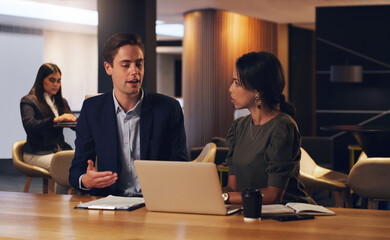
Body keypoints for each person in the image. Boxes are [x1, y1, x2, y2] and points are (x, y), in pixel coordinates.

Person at [69, 32, 188, 197]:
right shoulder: (92, 109)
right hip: (109, 204)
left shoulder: (168, 109)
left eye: (139, 64)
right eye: (126, 65)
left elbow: (181, 165)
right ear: (108, 68)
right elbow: (76, 170)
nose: (135, 71)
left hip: (155, 203)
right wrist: (85, 180)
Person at [223, 52, 315, 205]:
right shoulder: (239, 127)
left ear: (257, 91)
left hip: (286, 214)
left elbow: (273, 196)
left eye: (237, 83)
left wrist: (224, 198)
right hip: (250, 211)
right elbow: (233, 188)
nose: (230, 89)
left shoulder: (283, 127)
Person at [20, 63, 77, 193]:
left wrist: (80, 122)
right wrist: (54, 120)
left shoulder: (61, 102)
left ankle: (73, 202)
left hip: (58, 151)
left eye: (58, 80)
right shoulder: (28, 100)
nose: (56, 84)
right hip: (37, 152)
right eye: (52, 80)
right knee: (64, 168)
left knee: (82, 162)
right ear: (41, 80)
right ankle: (59, 203)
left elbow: (74, 126)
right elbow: (30, 126)